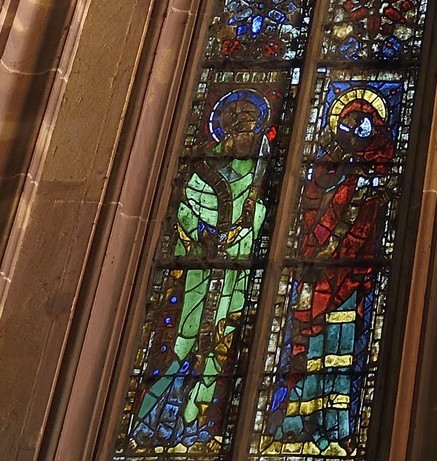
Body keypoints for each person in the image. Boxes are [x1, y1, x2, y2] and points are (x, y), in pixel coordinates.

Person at [130, 89, 271, 447]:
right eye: (244, 131)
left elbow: (254, 220)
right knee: (181, 344)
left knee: (216, 347)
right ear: (228, 132)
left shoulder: (253, 174)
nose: (250, 138)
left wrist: (250, 216)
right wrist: (201, 238)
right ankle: (151, 420)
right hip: (196, 275)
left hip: (228, 278)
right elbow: (186, 212)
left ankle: (198, 422)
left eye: (253, 132)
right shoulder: (203, 171)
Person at [264, 85, 395, 450]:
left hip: (350, 276)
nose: (353, 133)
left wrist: (367, 190)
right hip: (317, 267)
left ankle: (336, 427)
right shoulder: (328, 164)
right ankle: (294, 421)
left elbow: (374, 216)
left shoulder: (379, 167)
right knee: (306, 341)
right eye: (348, 124)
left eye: (362, 125)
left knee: (343, 346)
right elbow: (310, 202)